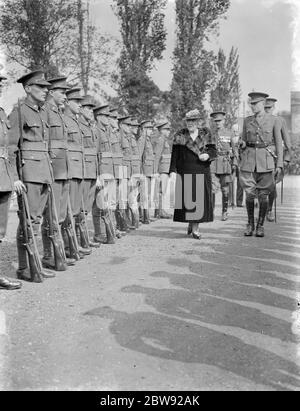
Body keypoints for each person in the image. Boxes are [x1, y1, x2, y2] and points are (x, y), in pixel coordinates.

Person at [9, 70, 55, 281]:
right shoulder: (19, 112)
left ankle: (35, 263)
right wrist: (14, 177)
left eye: (46, 87)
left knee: (36, 221)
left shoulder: (42, 111)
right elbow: (10, 147)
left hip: (44, 171)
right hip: (28, 174)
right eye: (41, 87)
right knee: (29, 221)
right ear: (28, 88)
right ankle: (26, 267)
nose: (46, 91)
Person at [42, 75, 76, 269]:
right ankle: (48, 255)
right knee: (51, 215)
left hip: (63, 170)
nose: (65, 96)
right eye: (62, 93)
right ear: (51, 92)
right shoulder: (45, 112)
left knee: (61, 214)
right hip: (52, 169)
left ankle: (58, 252)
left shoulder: (59, 114)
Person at [239, 92, 283, 237]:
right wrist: (241, 144)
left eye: (255, 104)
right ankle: (250, 224)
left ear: (263, 103)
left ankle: (260, 225)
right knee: (250, 195)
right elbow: (244, 141)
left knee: (263, 196)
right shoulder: (247, 121)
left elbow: (278, 144)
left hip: (266, 162)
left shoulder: (274, 120)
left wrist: (279, 164)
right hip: (249, 161)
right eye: (251, 104)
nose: (252, 106)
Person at [169, 109, 217, 239]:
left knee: (198, 200)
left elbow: (213, 151)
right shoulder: (180, 135)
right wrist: (172, 171)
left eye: (193, 121)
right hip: (185, 171)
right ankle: (191, 222)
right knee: (188, 201)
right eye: (188, 121)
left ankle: (196, 228)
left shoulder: (206, 134)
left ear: (198, 122)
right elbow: (175, 155)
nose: (190, 123)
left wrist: (207, 155)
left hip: (201, 170)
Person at [0, 74, 22, 290]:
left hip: (3, 178)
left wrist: (13, 178)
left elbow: (9, 150)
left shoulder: (2, 113)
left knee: (0, 230)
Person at [63, 87, 91, 256]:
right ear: (68, 102)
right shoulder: (65, 120)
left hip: (79, 169)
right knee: (69, 211)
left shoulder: (75, 121)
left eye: (81, 103)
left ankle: (73, 245)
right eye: (77, 102)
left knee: (77, 209)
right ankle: (67, 247)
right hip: (71, 169)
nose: (80, 105)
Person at [264, 97, 292, 222]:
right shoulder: (258, 121)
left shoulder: (279, 120)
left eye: (269, 108)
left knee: (271, 186)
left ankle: (269, 209)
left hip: (274, 158)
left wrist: (286, 159)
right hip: (258, 158)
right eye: (265, 108)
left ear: (274, 108)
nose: (267, 110)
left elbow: (287, 142)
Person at [78, 95, 100, 248]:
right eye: (88, 108)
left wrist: (97, 174)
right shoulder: (79, 125)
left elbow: (96, 152)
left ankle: (84, 238)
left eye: (92, 108)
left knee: (86, 208)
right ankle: (79, 240)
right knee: (80, 208)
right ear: (80, 109)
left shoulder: (91, 126)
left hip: (92, 171)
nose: (91, 111)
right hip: (83, 171)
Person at [210, 111, 238, 221]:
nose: (217, 123)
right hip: (213, 163)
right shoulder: (210, 134)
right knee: (212, 189)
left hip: (225, 164)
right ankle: (210, 212)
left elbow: (235, 150)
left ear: (224, 121)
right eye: (216, 121)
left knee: (225, 189)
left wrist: (235, 163)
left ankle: (224, 212)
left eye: (219, 121)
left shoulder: (229, 133)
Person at [153, 120, 173, 219]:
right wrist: (155, 171)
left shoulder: (165, 140)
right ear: (162, 130)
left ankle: (160, 211)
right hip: (161, 169)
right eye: (167, 129)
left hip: (165, 168)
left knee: (162, 190)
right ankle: (159, 211)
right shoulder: (161, 140)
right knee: (161, 190)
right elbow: (157, 155)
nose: (169, 131)